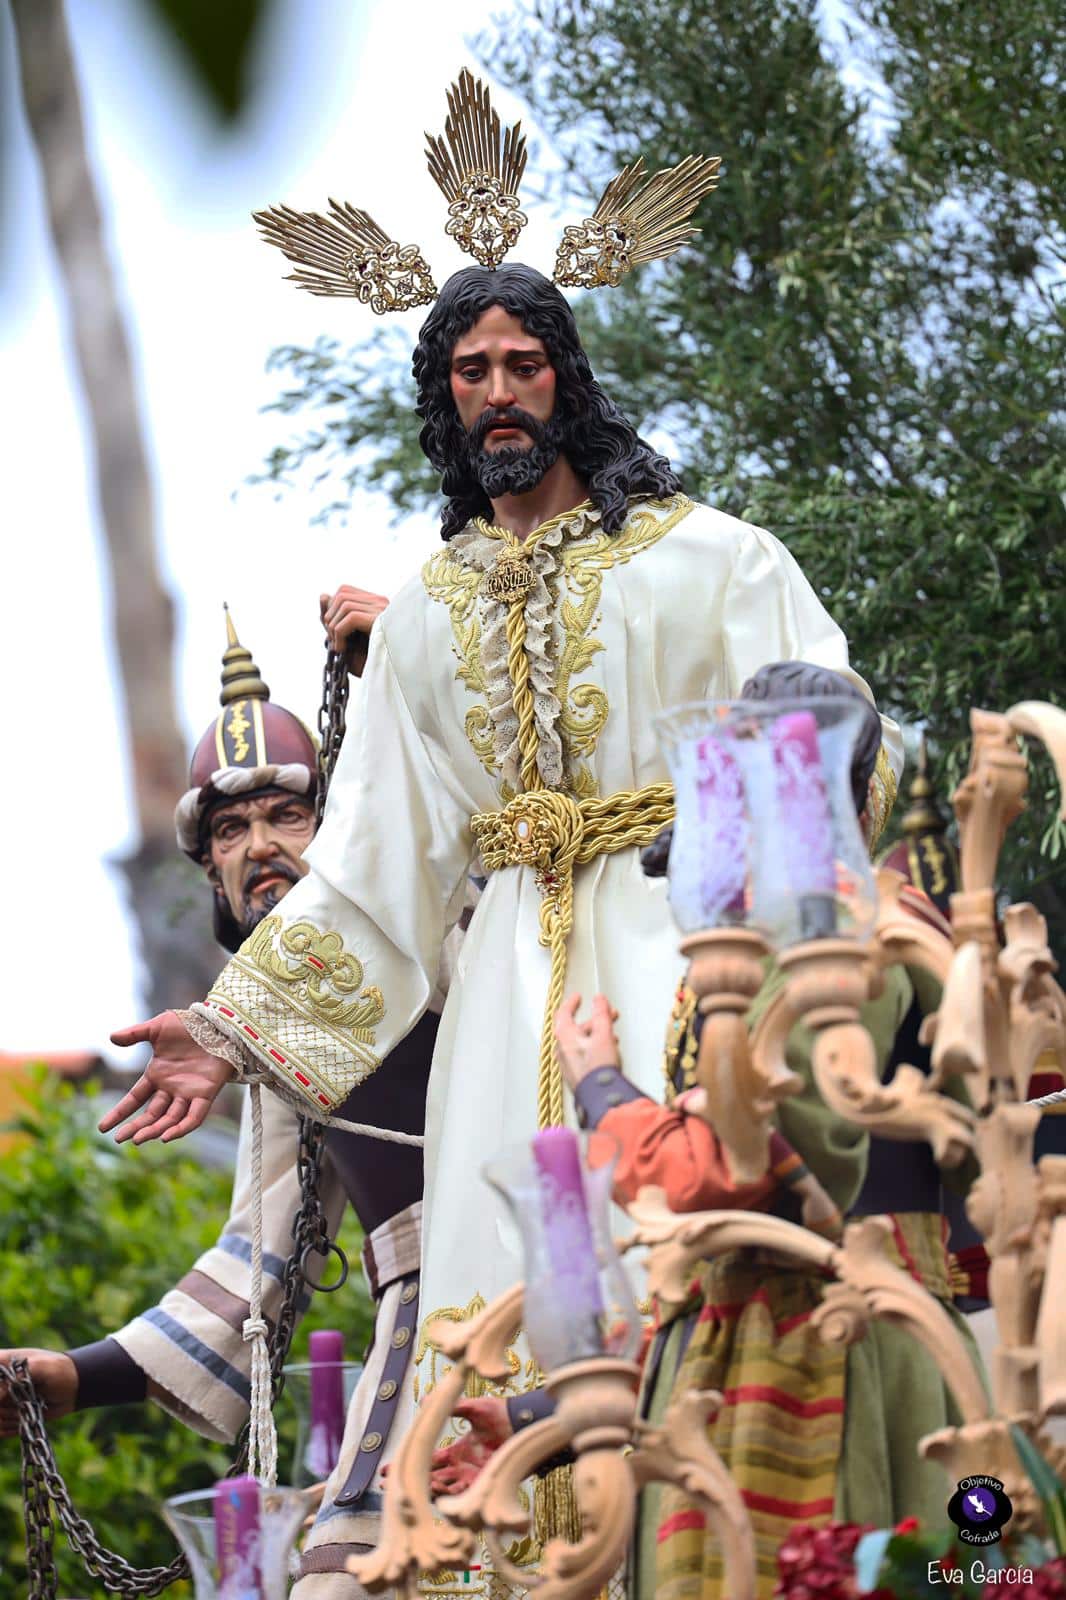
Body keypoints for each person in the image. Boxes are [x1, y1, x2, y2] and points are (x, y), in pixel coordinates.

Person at [102, 74, 903, 1586]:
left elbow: (825, 728)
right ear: (444, 397)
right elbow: (373, 865)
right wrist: (229, 1028)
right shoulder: (424, 620)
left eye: (522, 362)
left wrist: (772, 924)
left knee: (689, 1246)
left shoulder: (712, 561)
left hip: (678, 947)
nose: (497, 391)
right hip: (503, 1007)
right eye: (469, 369)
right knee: (498, 1302)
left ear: (565, 378)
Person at [0, 606, 450, 1591]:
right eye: (233, 830)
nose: (260, 847)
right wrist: (73, 1377)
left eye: (288, 816)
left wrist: (410, 660)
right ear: (211, 872)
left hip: (549, 1273)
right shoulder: (268, 1041)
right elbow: (258, 1262)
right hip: (420, 1338)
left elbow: (470, 805)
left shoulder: (444, 918)